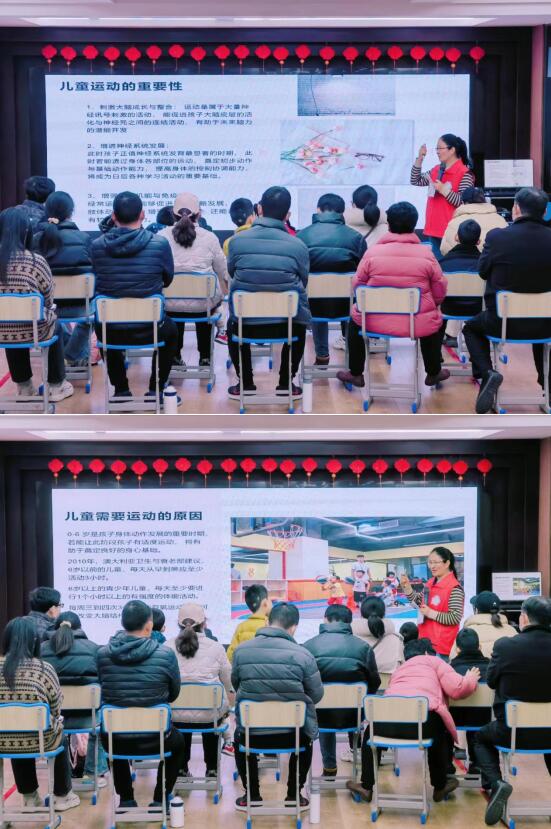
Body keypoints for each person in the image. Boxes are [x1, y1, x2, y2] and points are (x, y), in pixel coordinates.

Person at [336, 201, 449, 390]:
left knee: (355, 319)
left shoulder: (372, 252)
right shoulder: (426, 254)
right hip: (415, 322)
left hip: (374, 321)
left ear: (388, 224)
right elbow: (440, 288)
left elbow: (357, 286)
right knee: (431, 318)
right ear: (414, 224)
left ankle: (355, 373)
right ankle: (433, 372)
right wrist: (432, 304)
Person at [352, 637, 479, 803]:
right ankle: (440, 786)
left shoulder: (399, 670)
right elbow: (457, 689)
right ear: (426, 652)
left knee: (371, 733)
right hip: (423, 725)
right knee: (440, 732)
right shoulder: (434, 661)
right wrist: (470, 678)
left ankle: (366, 786)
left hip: (389, 724)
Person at [463, 187, 551, 414]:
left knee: (470, 327)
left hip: (502, 322)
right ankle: (547, 386)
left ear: (516, 209)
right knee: (541, 328)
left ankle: (487, 373)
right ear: (544, 212)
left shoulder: (497, 237)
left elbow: (483, 272)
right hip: (546, 322)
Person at [231, 602, 323, 810]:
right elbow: (316, 695)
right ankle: (294, 795)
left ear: (267, 621)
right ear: (294, 627)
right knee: (307, 737)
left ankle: (252, 795)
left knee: (239, 737)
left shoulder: (241, 652)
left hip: (252, 733)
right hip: (293, 734)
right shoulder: (303, 654)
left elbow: (237, 685)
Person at [96, 600, 185, 809]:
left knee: (110, 734)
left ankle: (126, 799)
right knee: (179, 743)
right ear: (149, 626)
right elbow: (173, 694)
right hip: (156, 738)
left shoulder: (102, 654)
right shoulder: (166, 654)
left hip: (116, 739)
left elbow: (104, 688)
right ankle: (160, 798)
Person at [92, 191, 179, 403]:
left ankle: (121, 390)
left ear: (113, 216)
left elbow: (97, 279)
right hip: (150, 327)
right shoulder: (159, 244)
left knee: (102, 324)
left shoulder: (97, 246)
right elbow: (167, 280)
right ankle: (156, 389)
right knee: (171, 331)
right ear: (142, 214)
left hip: (111, 329)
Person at [226, 186, 310, 400]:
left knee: (232, 322)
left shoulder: (236, 242)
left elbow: (232, 272)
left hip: (246, 325)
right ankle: (285, 383)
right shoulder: (298, 245)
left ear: (259, 209)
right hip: (286, 325)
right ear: (287, 215)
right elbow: (304, 280)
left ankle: (246, 383)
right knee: (299, 319)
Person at [473, 596, 551, 825]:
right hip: (549, 730)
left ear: (523, 618)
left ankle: (497, 783)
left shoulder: (506, 646)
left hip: (511, 731)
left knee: (480, 737)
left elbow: (491, 681)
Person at [0, 617, 79, 811]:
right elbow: (56, 709)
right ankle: (62, 795)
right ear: (34, 641)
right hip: (42, 740)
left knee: (13, 733)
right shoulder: (44, 669)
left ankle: (29, 797)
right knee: (58, 733)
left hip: (2, 741)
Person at [0, 207, 74, 401]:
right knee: (53, 324)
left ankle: (24, 386)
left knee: (8, 322)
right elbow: (49, 299)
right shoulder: (35, 261)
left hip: (1, 330)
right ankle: (57, 385)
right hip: (35, 329)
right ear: (27, 232)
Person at [304, 604, 380, 778]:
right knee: (354, 702)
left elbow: (304, 683)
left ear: (325, 619)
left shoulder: (308, 646)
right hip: (354, 715)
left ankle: (329, 768)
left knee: (321, 709)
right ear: (349, 622)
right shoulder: (363, 647)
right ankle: (356, 756)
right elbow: (374, 682)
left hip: (320, 715)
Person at [157, 192, 228, 368]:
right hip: (203, 307)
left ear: (173, 214)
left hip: (170, 306)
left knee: (175, 304)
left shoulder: (161, 237)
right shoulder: (210, 238)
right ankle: (205, 357)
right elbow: (223, 270)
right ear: (199, 214)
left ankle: (175, 356)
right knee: (207, 302)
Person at [40, 611, 109, 787]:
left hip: (52, 720)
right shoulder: (94, 649)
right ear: (80, 628)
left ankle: (61, 777)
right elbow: (103, 682)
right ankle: (95, 773)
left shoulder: (41, 650)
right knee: (103, 719)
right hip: (88, 719)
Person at [297, 193, 365, 366]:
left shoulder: (302, 236)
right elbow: (362, 273)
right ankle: (352, 357)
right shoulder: (356, 238)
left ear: (318, 210)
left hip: (313, 306)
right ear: (342, 213)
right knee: (352, 298)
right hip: (347, 305)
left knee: (314, 294)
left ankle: (322, 355)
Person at [167, 602, 233, 777]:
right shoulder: (216, 648)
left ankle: (181, 769)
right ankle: (212, 769)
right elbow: (228, 681)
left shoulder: (167, 647)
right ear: (204, 623)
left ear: (179, 624)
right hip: (209, 716)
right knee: (212, 717)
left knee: (181, 719)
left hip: (176, 715)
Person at [33, 191, 94, 367]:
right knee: (98, 310)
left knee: (58, 323)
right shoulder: (84, 238)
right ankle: (72, 355)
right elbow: (94, 272)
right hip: (81, 307)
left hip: (47, 308)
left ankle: (67, 355)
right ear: (71, 212)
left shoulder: (37, 239)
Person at [411, 134, 475, 258]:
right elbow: (415, 180)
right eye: (436, 149)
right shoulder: (436, 170)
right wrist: (420, 158)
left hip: (452, 231)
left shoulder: (464, 173)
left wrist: (444, 191)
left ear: (452, 150)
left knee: (449, 266)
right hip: (433, 228)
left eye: (440, 148)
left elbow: (464, 203)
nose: (437, 152)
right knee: (436, 267)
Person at [400, 547, 464, 660]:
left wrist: (430, 613)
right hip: (425, 642)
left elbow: (455, 618)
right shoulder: (430, 583)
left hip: (441, 648)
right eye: (430, 562)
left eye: (435, 562)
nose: (432, 566)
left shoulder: (454, 588)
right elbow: (417, 604)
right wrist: (407, 588)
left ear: (447, 563)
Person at [439, 219, 483, 348]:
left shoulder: (443, 264)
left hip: (449, 309)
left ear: (456, 237)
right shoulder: (484, 264)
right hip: (478, 309)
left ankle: (436, 355)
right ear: (478, 241)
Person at [440, 187, 508, 257]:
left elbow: (444, 249)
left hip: (462, 262)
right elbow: (507, 247)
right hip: (492, 263)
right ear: (485, 201)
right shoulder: (500, 220)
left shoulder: (454, 222)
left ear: (463, 203)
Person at [449, 591, 517, 659]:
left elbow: (453, 658)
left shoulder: (466, 634)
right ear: (498, 610)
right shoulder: (512, 631)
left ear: (476, 610)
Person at [351, 597, 404, 673]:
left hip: (358, 679)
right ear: (384, 613)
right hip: (388, 680)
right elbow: (402, 666)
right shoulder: (397, 639)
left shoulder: (349, 637)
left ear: (361, 613)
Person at [227, 584, 272, 662]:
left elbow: (231, 656)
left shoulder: (241, 627)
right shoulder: (272, 626)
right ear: (265, 602)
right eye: (270, 600)